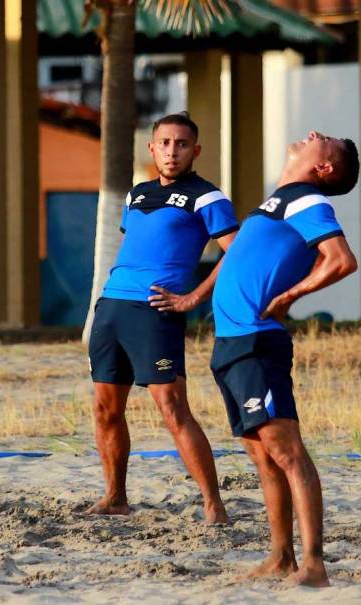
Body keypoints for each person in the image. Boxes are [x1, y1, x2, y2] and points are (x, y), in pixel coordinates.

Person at [211, 131, 359, 587]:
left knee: (287, 453)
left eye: (325, 140)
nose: (312, 134)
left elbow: (340, 260)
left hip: (257, 341)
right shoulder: (278, 202)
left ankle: (314, 564)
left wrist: (292, 294)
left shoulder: (306, 200)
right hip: (232, 343)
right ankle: (281, 556)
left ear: (325, 168)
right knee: (263, 458)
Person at [87, 112, 238, 524]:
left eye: (182, 144)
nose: (173, 151)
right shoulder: (137, 194)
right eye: (165, 143)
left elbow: (237, 253)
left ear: (196, 151)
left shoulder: (207, 197)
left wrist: (192, 298)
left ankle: (214, 505)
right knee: (105, 409)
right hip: (112, 308)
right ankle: (115, 497)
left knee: (172, 409)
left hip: (155, 313)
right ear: (152, 148)